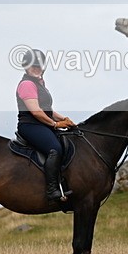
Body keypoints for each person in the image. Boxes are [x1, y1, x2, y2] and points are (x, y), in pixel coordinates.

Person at [16, 48, 76, 201]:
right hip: (30, 125)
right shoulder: (27, 84)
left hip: (42, 124)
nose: (37, 68)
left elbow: (48, 110)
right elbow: (36, 112)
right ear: (26, 66)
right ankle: (51, 190)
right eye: (33, 65)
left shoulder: (40, 84)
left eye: (39, 65)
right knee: (54, 149)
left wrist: (66, 119)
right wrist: (55, 124)